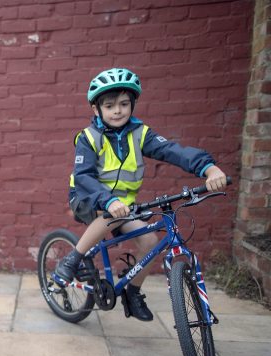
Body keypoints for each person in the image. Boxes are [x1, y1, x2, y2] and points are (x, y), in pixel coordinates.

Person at [53, 68, 227, 321]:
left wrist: (209, 169)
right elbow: (84, 177)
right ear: (96, 109)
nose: (118, 111)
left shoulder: (140, 133)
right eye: (109, 105)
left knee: (150, 240)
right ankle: (72, 258)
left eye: (124, 104)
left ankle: (132, 293)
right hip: (87, 198)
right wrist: (108, 200)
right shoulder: (89, 138)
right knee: (107, 215)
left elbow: (172, 151)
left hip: (122, 205)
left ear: (132, 104)